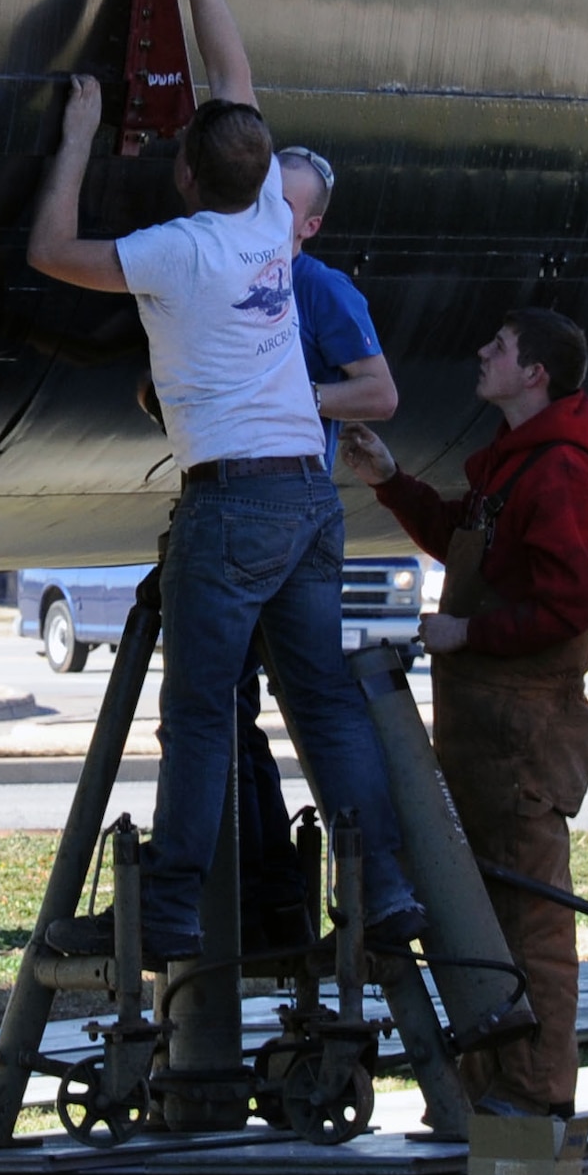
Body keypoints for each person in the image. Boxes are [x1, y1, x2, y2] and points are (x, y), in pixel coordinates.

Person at [27, 0, 423, 963]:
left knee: (201, 717)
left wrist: (71, 140)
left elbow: (52, 251)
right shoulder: (264, 223)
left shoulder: (172, 249)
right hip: (307, 490)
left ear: (185, 174)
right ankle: (382, 890)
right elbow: (231, 76)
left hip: (232, 499)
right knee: (325, 710)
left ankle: (168, 913)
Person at [340, 309, 588, 1118]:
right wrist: (391, 480)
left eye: (497, 345)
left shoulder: (558, 471)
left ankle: (532, 1093)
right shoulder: (516, 466)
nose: (480, 351)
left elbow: (568, 604)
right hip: (490, 735)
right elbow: (468, 535)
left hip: (522, 739)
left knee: (529, 922)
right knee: (484, 913)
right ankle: (493, 1084)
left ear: (535, 374)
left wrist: (469, 631)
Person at [237, 145, 403, 950]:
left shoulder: (319, 287)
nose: (269, 213)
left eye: (285, 204)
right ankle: (261, 882)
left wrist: (297, 395)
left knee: (314, 705)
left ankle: (382, 883)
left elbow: (379, 391)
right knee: (229, 704)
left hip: (291, 501)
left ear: (310, 223)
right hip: (253, 501)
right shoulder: (232, 270)